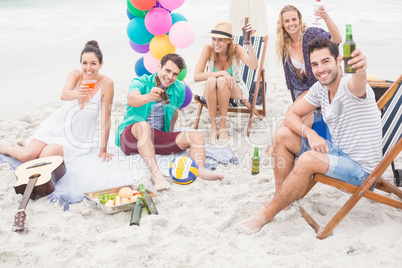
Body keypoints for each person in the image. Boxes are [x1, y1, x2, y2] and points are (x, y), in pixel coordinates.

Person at [236, 38, 382, 234]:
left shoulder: (349, 85)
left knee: (307, 160)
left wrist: (361, 69)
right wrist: (310, 133)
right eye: (314, 64)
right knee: (283, 134)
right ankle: (281, 198)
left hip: (361, 171)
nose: (320, 68)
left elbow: (359, 83)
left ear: (338, 60)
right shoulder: (321, 87)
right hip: (337, 154)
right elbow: (291, 115)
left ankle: (265, 215)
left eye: (325, 61)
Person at [116, 53, 224, 192]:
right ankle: (157, 176)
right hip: (131, 137)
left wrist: (170, 134)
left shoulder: (179, 88)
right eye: (167, 70)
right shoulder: (141, 81)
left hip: (155, 137)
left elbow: (173, 113)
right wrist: (149, 96)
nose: (170, 77)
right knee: (144, 126)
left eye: (175, 74)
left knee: (196, 136)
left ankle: (200, 170)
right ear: (159, 67)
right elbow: (132, 99)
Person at [0, 40, 114, 163]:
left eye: (93, 63)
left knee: (44, 157)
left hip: (77, 137)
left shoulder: (107, 84)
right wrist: (78, 94)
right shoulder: (75, 74)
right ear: (80, 63)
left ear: (101, 64)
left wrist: (103, 149)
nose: (88, 68)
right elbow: (64, 95)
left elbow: (105, 120)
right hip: (57, 125)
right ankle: (7, 148)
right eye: (84, 63)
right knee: (27, 156)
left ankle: (28, 143)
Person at [267, 5, 342, 156]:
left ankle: (274, 146)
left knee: (291, 113)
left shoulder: (312, 34)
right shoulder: (285, 45)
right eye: (287, 21)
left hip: (324, 88)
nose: (291, 23)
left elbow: (337, 40)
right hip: (307, 91)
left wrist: (326, 17)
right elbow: (294, 80)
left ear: (300, 20)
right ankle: (280, 144)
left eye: (294, 19)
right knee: (294, 115)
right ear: (282, 24)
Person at [194, 22, 258, 142]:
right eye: (213, 39)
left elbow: (254, 66)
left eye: (220, 40)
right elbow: (196, 76)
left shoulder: (236, 49)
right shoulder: (208, 49)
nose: (215, 43)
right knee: (212, 80)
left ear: (229, 41)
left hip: (235, 90)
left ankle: (222, 126)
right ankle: (214, 126)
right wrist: (222, 73)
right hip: (212, 90)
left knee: (222, 81)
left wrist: (248, 43)